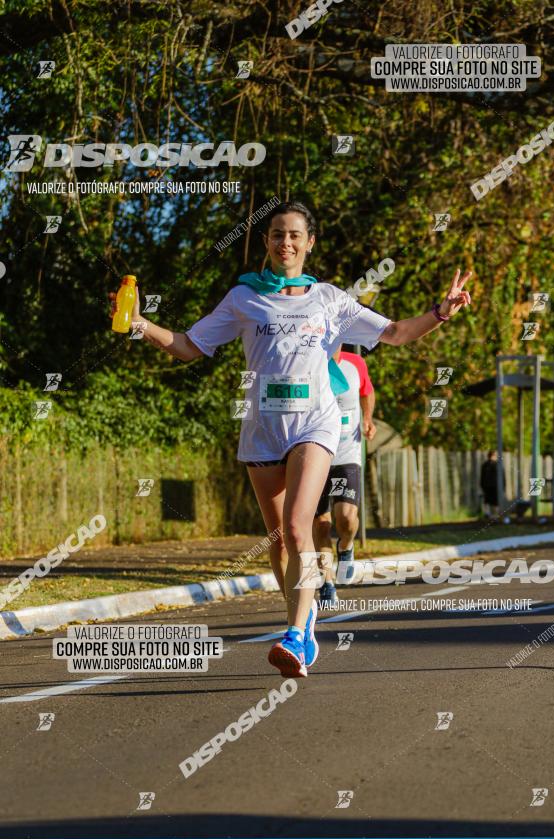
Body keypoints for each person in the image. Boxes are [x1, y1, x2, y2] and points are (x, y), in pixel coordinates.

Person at [110, 201, 472, 679]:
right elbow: (189, 346)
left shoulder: (329, 299)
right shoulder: (244, 298)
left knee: (300, 527)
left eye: (295, 235)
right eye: (277, 234)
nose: (286, 243)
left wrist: (440, 313)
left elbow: (397, 333)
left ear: (309, 242)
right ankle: (300, 623)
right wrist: (138, 323)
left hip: (314, 425)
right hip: (262, 429)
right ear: (266, 242)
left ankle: (298, 635)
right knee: (279, 542)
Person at [313, 344, 377, 607]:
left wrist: (368, 418)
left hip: (347, 453)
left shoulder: (355, 363)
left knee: (347, 518)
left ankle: (346, 546)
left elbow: (367, 391)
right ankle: (327, 582)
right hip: (315, 454)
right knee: (321, 523)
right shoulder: (309, 361)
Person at [480, 450, 501, 517]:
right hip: (495, 486)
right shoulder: (497, 465)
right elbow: (501, 476)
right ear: (493, 455)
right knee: (495, 502)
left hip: (486, 486)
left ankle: (488, 514)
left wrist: (482, 485)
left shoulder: (484, 465)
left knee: (487, 500)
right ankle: (495, 515)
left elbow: (482, 477)